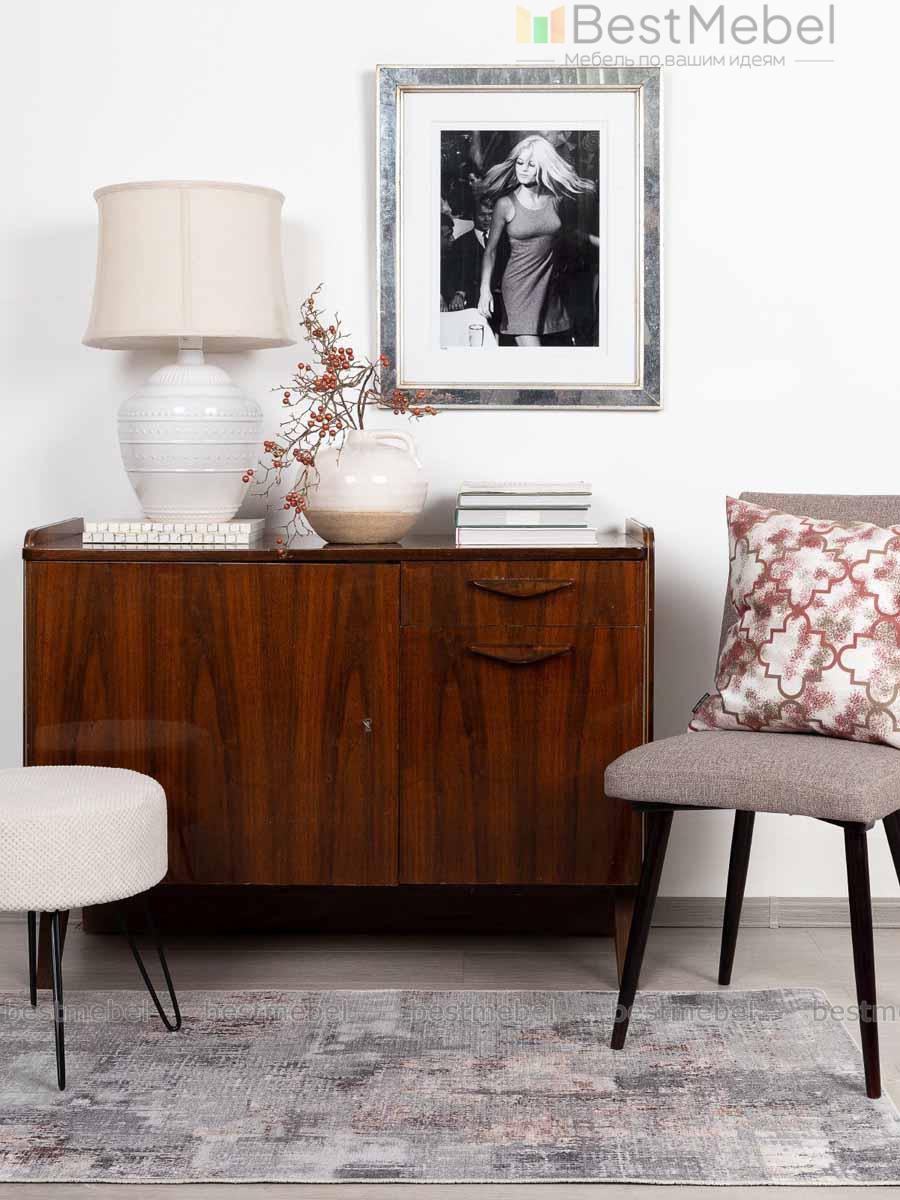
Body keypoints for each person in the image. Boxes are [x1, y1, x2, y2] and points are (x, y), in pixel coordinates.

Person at [476, 134, 594, 346]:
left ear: (542, 166)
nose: (523, 169)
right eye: (520, 163)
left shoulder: (556, 199)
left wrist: (603, 243)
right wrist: (485, 290)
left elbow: (570, 234)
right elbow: (490, 251)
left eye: (531, 165)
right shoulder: (505, 204)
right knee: (536, 358)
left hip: (550, 290)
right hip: (518, 289)